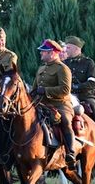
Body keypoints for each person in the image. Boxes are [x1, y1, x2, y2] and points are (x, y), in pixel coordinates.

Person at [31, 39, 76, 169]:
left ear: (51, 53)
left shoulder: (63, 68)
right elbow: (35, 88)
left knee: (65, 121)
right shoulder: (42, 68)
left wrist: (45, 90)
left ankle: (70, 153)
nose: (41, 54)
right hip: (41, 103)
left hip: (60, 104)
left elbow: (65, 90)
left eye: (43, 52)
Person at [62, 36, 95, 152]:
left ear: (77, 49)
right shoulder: (64, 63)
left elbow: (92, 83)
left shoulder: (88, 63)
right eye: (66, 47)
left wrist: (76, 87)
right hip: (67, 96)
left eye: (68, 47)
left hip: (85, 95)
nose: (66, 49)